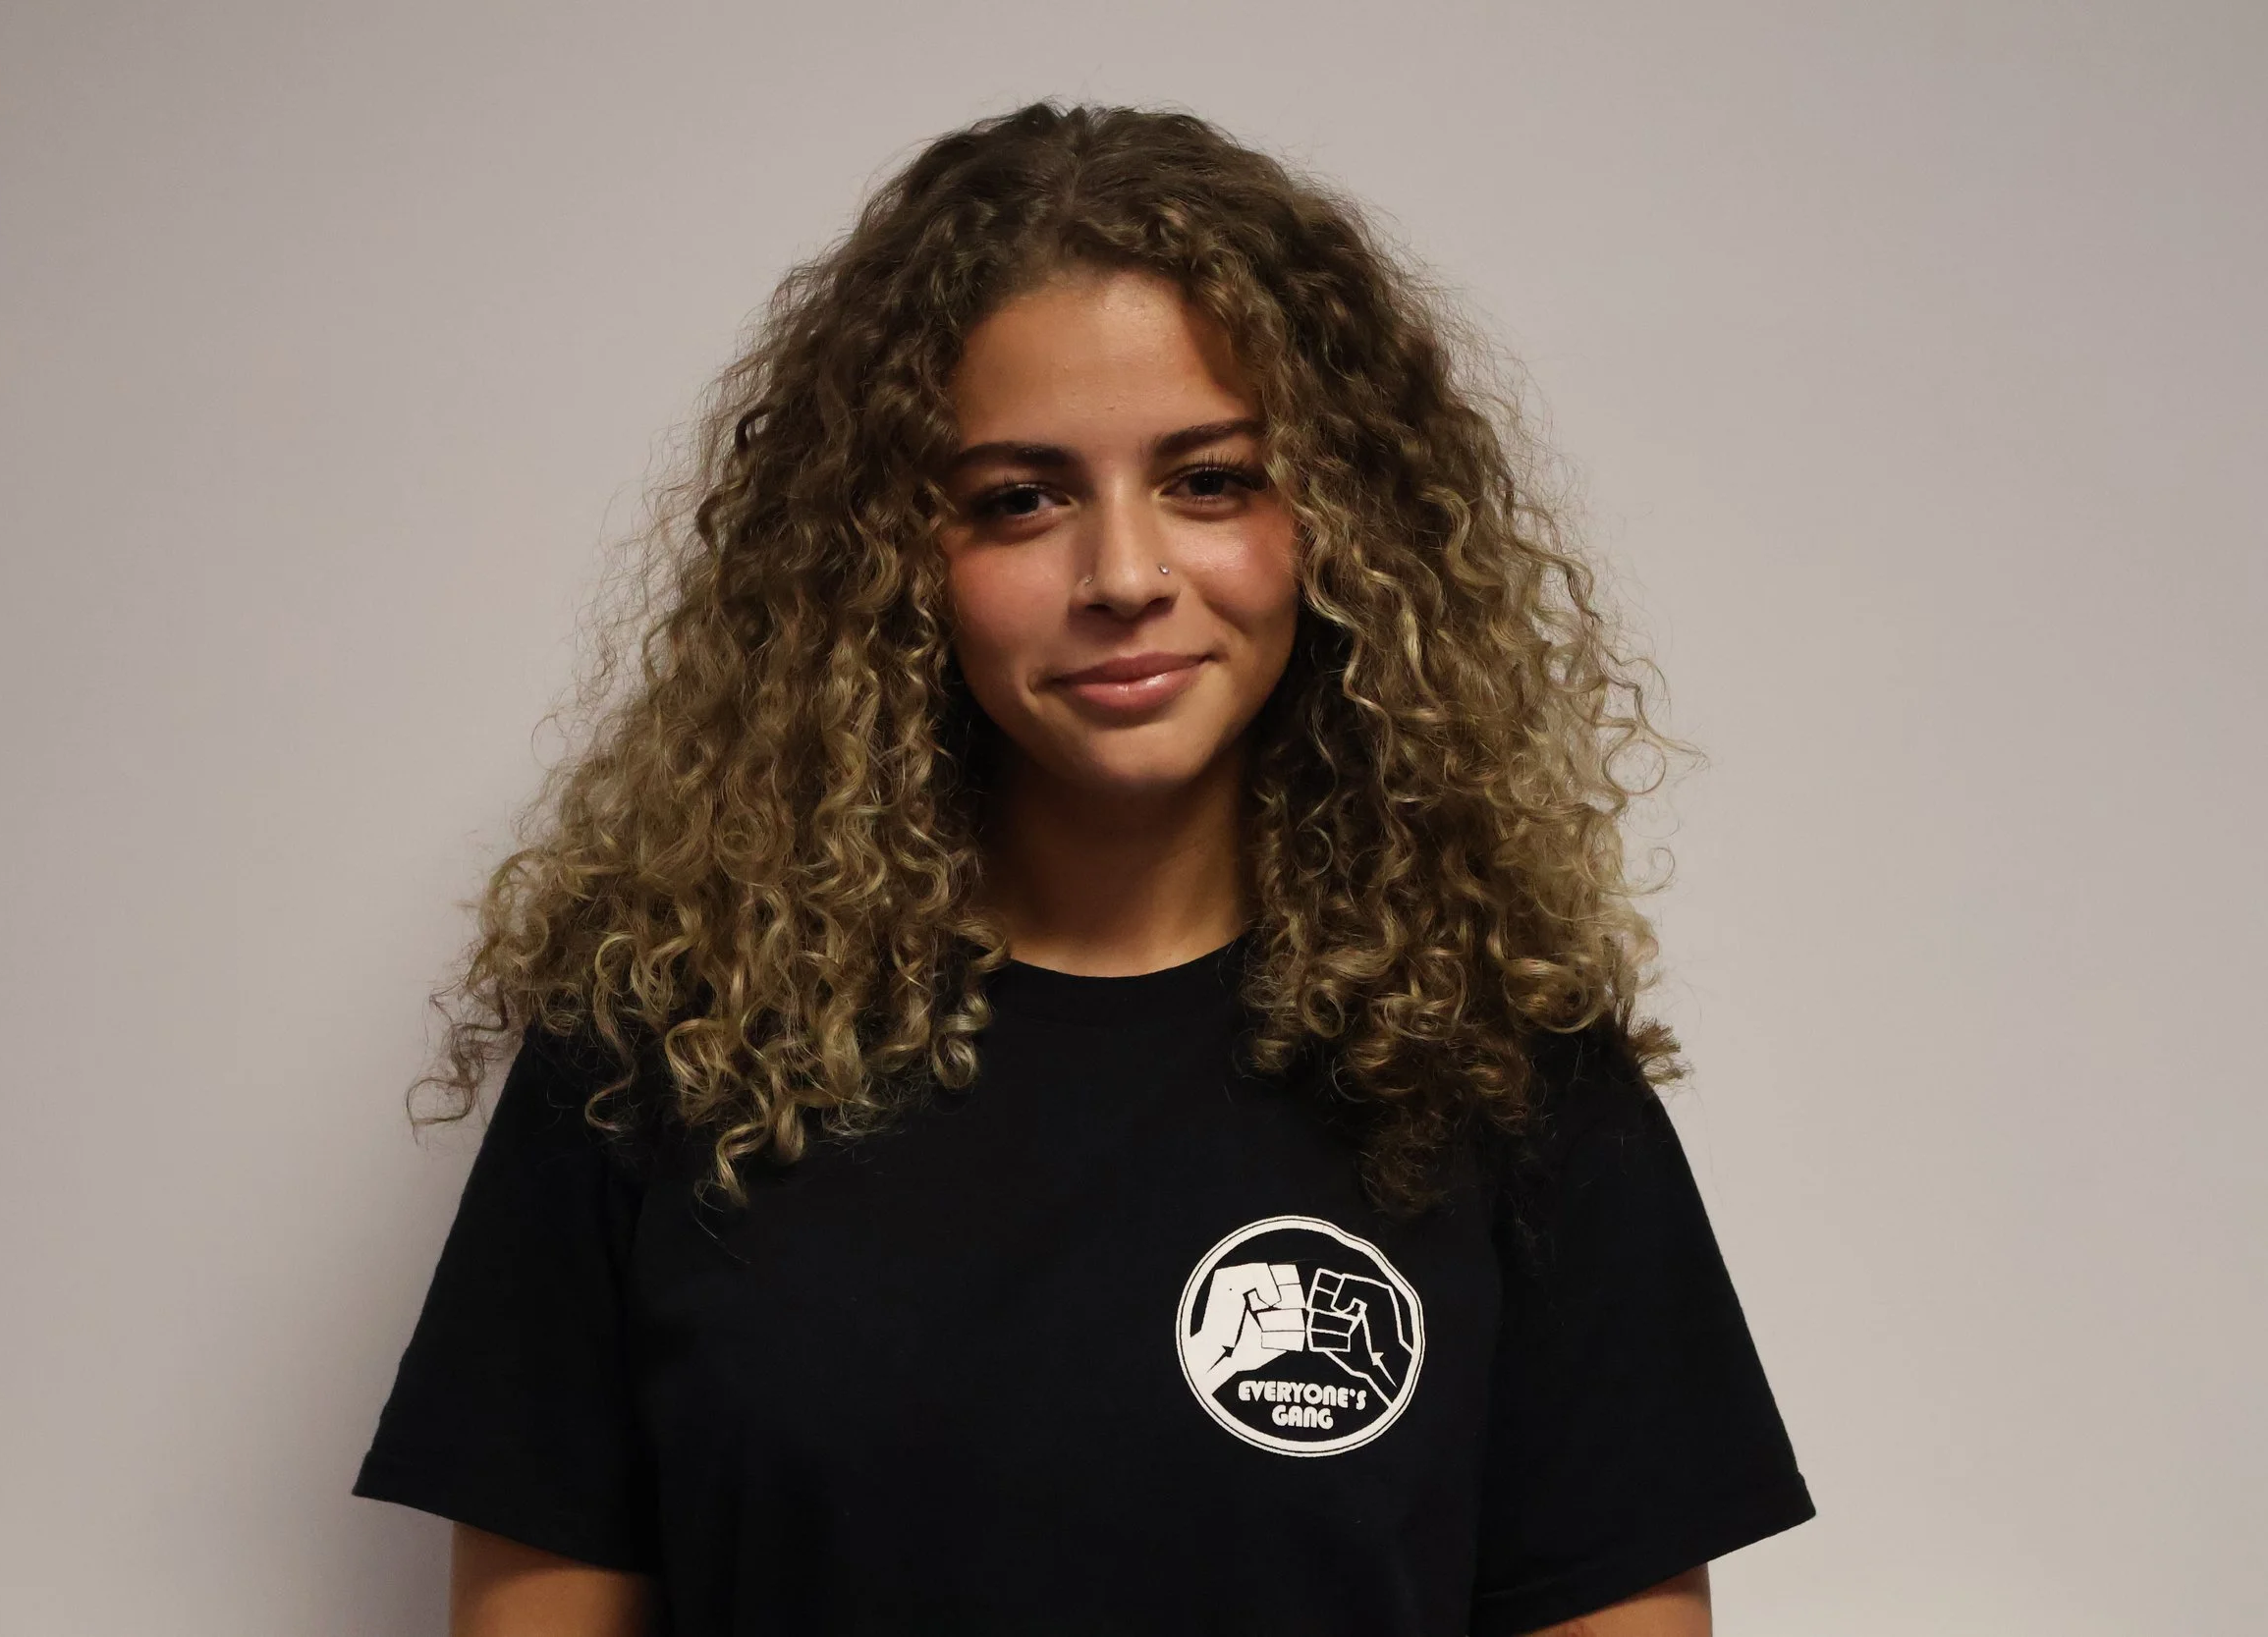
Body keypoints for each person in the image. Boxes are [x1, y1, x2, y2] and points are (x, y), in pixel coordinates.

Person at [354, 101, 1814, 1636]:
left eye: (1210, 479)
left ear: (1339, 522)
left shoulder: (1504, 1069)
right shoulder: (659, 1048)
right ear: (886, 559)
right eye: (1019, 498)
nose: (1124, 575)